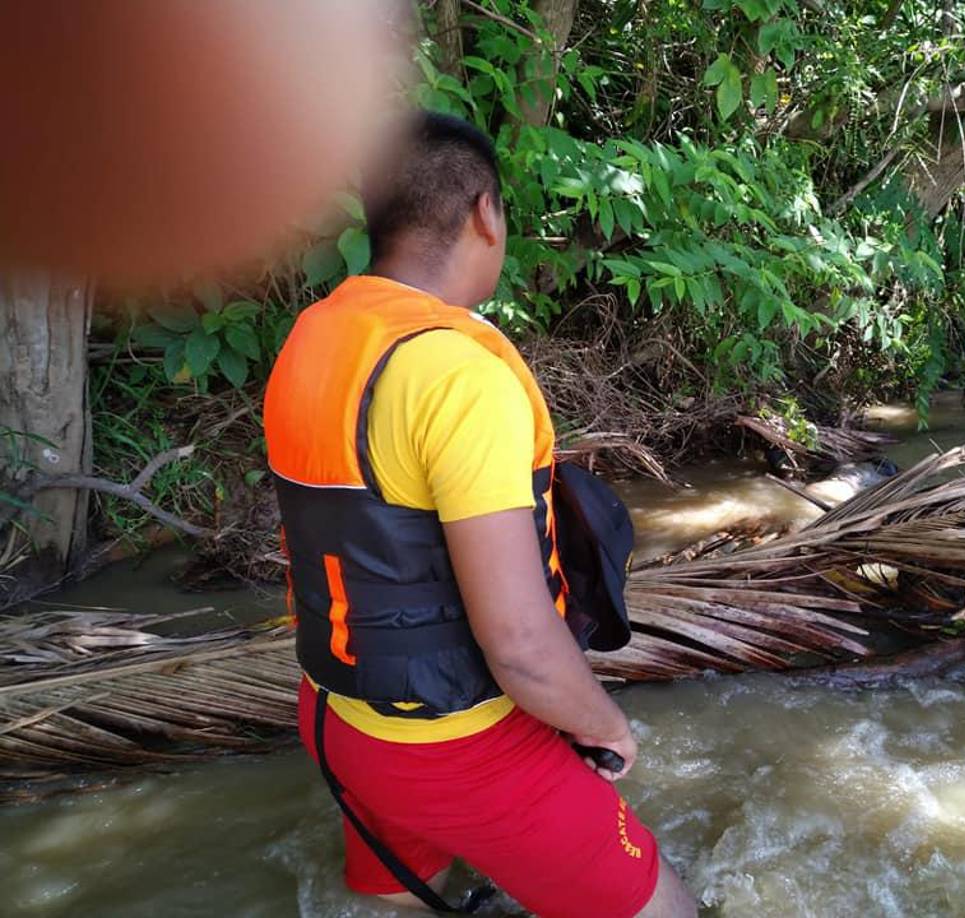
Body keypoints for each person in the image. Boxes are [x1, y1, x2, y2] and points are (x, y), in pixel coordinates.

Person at [263, 112, 696, 917]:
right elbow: (524, 648)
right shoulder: (459, 376)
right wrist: (606, 725)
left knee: (395, 902)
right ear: (485, 214)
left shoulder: (314, 338)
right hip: (452, 747)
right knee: (670, 909)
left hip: (336, 720)